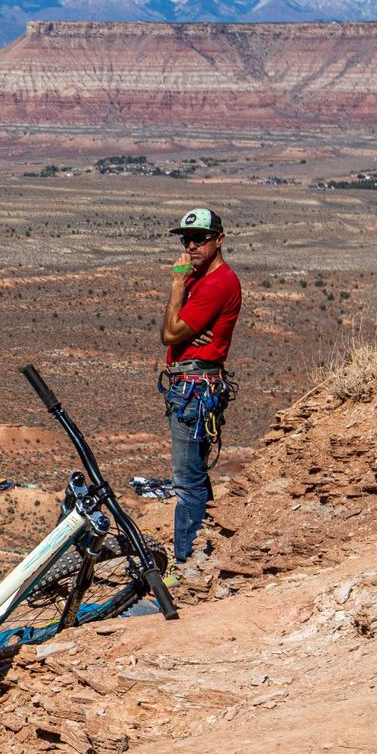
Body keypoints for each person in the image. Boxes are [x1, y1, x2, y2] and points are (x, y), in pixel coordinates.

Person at [158, 207, 242, 577]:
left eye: (199, 239)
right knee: (194, 475)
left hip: (194, 389)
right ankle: (201, 549)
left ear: (219, 240)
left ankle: (186, 565)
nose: (190, 246)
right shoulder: (201, 279)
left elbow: (170, 333)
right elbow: (177, 330)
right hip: (191, 386)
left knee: (186, 480)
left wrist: (177, 287)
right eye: (185, 239)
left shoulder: (216, 283)